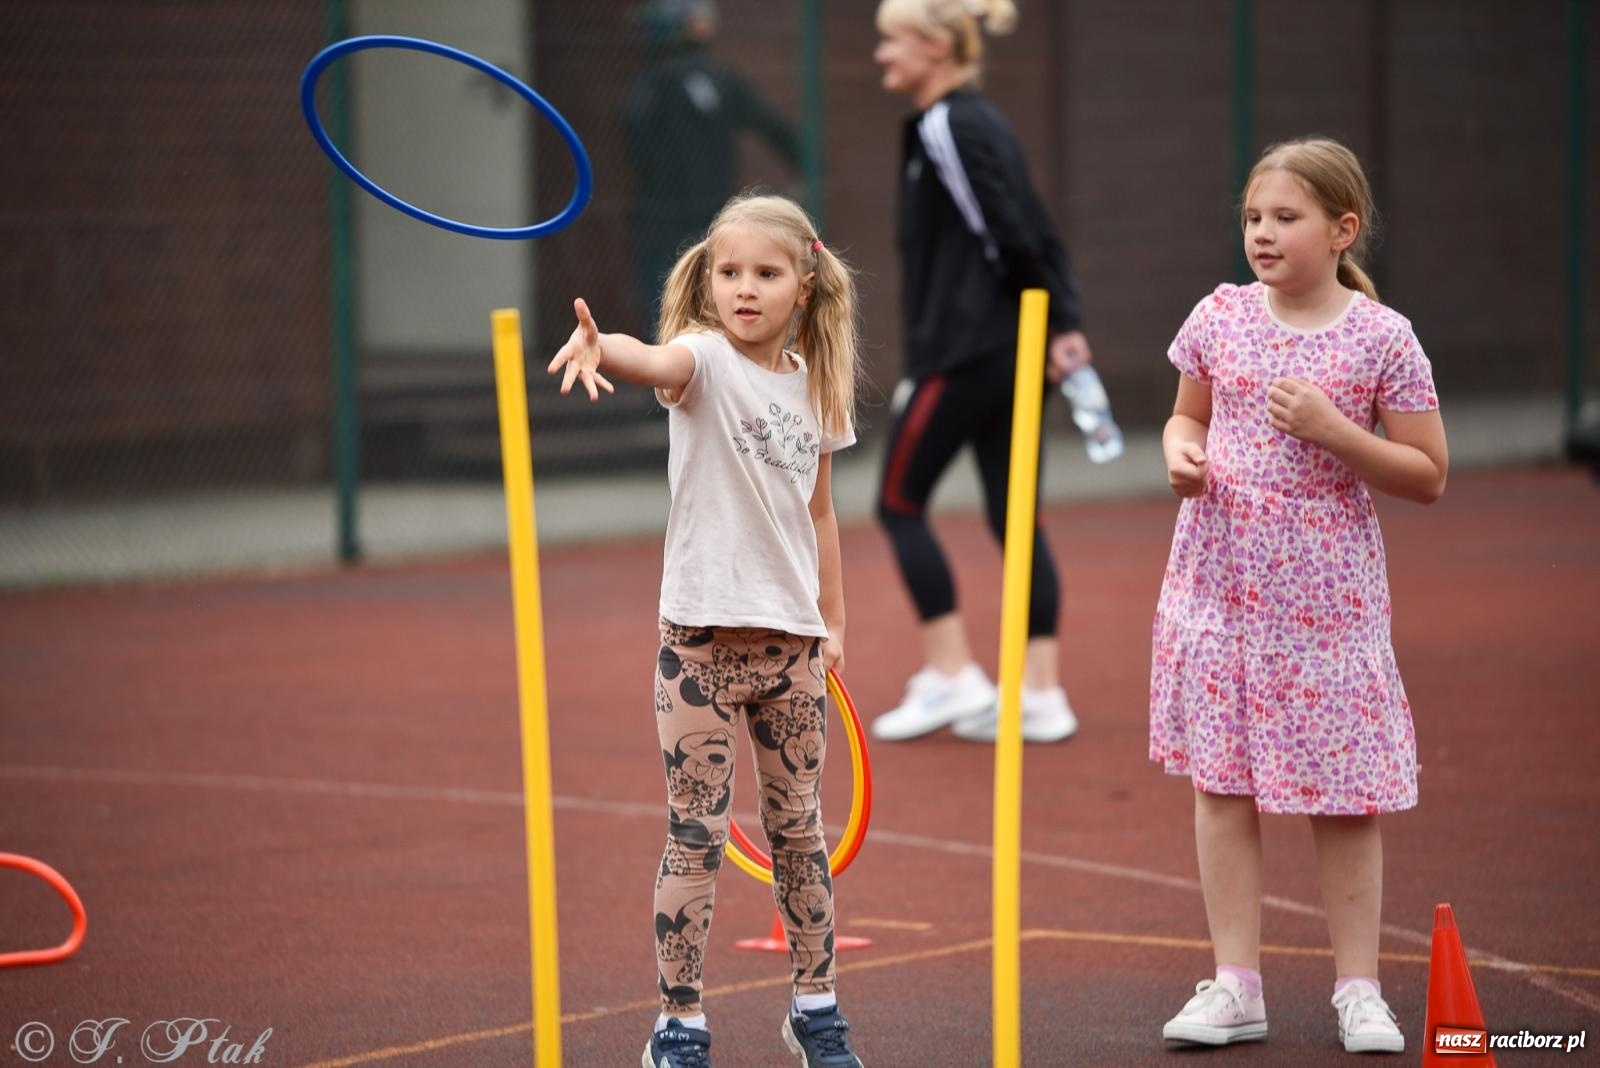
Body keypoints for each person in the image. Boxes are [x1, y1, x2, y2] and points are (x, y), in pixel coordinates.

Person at [547, 193, 864, 1068]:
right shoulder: (705, 362)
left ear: (804, 284)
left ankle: (816, 1007)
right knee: (698, 833)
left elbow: (823, 514)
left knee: (799, 830)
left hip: (791, 650)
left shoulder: (815, 386)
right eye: (729, 273)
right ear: (707, 280)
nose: (745, 289)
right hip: (697, 651)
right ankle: (678, 1023)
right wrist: (598, 344)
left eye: (765, 274)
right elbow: (650, 359)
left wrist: (831, 620)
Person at [1151, 137, 1448, 1055]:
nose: (1264, 235)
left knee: (1344, 790)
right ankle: (1236, 982)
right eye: (1253, 218)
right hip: (1218, 581)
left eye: (1286, 218)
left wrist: (1334, 432)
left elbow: (1428, 472)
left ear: (1341, 229)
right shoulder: (1220, 315)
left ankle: (1358, 989)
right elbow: (1186, 412)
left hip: (1326, 597)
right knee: (1223, 781)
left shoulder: (1380, 336)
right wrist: (1180, 455)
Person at [867, 0, 1090, 745]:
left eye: (891, 41)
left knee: (898, 503)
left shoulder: (948, 126)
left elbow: (1012, 232)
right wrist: (1061, 323)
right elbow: (1031, 224)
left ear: (934, 47)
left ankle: (953, 673)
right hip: (1008, 348)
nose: (880, 56)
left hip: (967, 352)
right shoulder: (975, 122)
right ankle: (1041, 693)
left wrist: (1058, 321)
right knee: (1012, 515)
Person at [621, 0, 803, 326]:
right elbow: (773, 127)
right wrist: (806, 166)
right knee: (715, 299)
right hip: (715, 213)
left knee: (663, 304)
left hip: (660, 214)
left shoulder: (647, 84)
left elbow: (633, 143)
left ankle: (665, 369)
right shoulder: (721, 79)